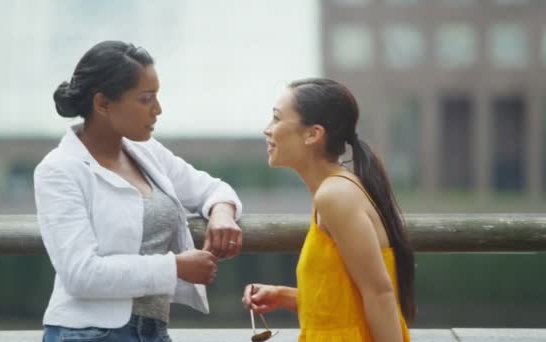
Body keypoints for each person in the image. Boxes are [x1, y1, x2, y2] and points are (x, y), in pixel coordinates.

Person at [35, 40, 243, 342]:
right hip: (88, 333)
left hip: (153, 331)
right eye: (146, 99)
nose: (158, 109)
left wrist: (222, 213)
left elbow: (212, 188)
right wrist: (175, 267)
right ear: (102, 104)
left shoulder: (147, 152)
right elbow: (81, 274)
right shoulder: (59, 170)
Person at [242, 78, 415, 342]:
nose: (267, 130)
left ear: (313, 134)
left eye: (277, 119)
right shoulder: (334, 192)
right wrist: (284, 296)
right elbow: (347, 299)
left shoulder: (335, 196)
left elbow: (379, 292)